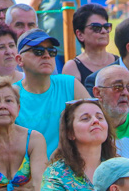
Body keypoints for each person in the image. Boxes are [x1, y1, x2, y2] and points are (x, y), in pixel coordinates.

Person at [14, 29, 89, 158]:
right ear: (19, 60)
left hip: (71, 169)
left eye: (51, 51)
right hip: (28, 173)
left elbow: (94, 121)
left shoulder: (70, 84)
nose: (46, 55)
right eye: (38, 51)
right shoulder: (11, 95)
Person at [30, 0, 80, 69]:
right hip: (51, 52)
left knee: (74, 82)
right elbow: (29, 19)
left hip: (75, 51)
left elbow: (82, 21)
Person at [62, 4, 118, 83]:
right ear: (80, 34)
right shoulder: (72, 68)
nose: (104, 31)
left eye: (106, 26)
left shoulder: (120, 62)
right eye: (96, 27)